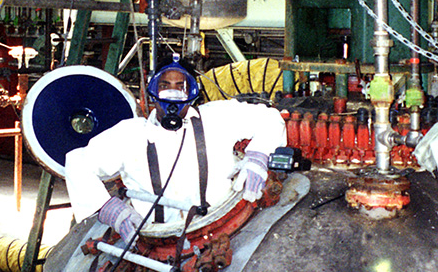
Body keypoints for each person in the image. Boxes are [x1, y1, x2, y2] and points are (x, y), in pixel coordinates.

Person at [63, 59, 286, 243]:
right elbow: (77, 163)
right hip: (156, 240)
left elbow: (270, 118)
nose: (173, 93)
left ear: (192, 91)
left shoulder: (216, 117)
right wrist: (108, 207)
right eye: (165, 85)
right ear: (152, 91)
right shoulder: (130, 135)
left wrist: (257, 157)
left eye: (181, 86)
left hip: (224, 230)